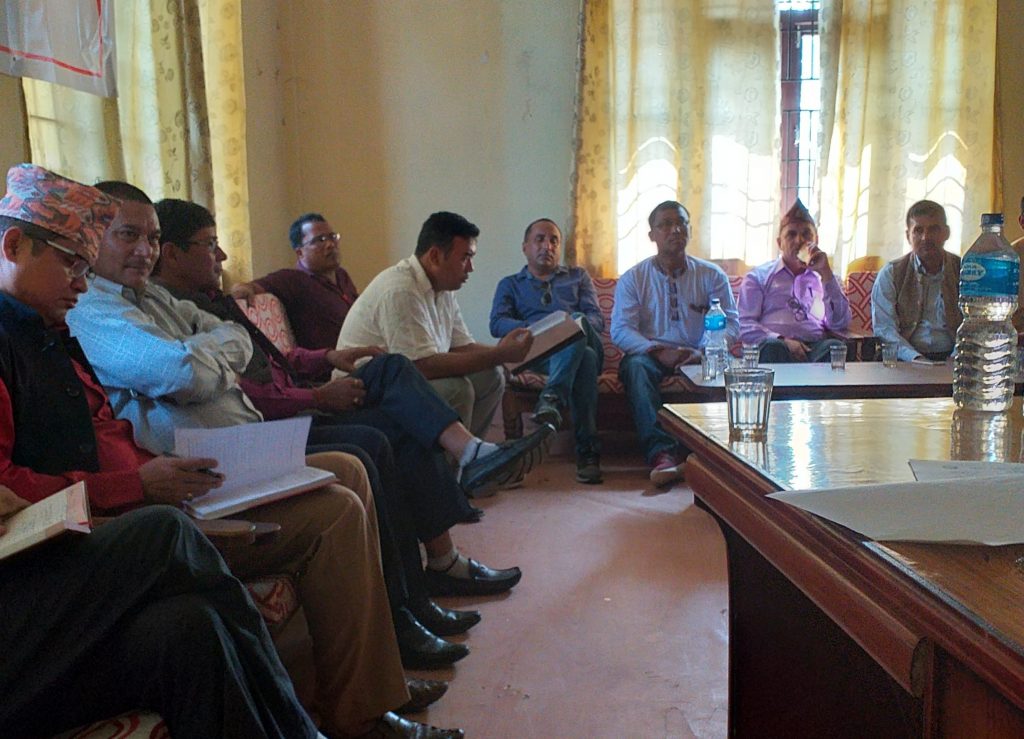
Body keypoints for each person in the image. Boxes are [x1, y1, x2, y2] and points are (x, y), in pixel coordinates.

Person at [0, 164, 440, 738]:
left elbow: (223, 354)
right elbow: (177, 376)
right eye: (71, 262)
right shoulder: (60, 326)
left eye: (86, 267)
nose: (81, 284)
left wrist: (150, 483)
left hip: (142, 499)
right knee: (170, 532)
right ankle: (312, 721)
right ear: (14, 245)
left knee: (192, 620)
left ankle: (365, 692)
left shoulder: (52, 331)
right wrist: (141, 489)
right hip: (81, 541)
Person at [149, 197, 530, 625]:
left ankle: (438, 564)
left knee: (393, 375)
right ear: (172, 253)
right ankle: (413, 599)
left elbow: (276, 360)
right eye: (210, 244)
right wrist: (315, 397)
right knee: (384, 429)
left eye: (333, 236)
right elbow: (241, 391)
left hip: (300, 398)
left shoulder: (212, 301)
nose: (221, 255)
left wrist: (329, 356)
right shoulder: (178, 314)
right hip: (271, 424)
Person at [336, 212, 536, 441]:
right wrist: (500, 354)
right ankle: (457, 459)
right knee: (457, 389)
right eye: (465, 258)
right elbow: (421, 366)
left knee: (490, 377)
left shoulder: (443, 288)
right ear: (434, 256)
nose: (470, 268)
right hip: (362, 394)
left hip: (404, 382)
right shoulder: (401, 289)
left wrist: (508, 357)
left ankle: (473, 458)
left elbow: (462, 346)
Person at [610, 200, 738, 486]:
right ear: (652, 235)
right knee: (635, 368)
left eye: (681, 223)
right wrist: (658, 351)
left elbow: (731, 323)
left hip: (702, 353)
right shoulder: (634, 278)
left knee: (733, 370)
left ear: (690, 230)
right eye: (666, 224)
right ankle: (663, 455)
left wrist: (704, 350)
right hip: (651, 355)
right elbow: (620, 330)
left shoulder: (711, 275)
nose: (675, 230)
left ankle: (720, 455)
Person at [490, 218, 604, 483]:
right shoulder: (510, 284)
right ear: (525, 247)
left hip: (584, 339)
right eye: (539, 239)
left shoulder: (578, 277)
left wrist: (566, 325)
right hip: (539, 355)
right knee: (584, 358)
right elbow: (497, 323)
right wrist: (539, 329)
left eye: (554, 241)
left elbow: (596, 320)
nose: (547, 246)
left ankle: (552, 397)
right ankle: (588, 453)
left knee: (575, 323)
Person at [737, 199, 851, 362]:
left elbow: (839, 323)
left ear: (816, 240)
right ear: (780, 243)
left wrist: (826, 273)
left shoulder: (825, 278)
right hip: (774, 345)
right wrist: (782, 339)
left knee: (835, 348)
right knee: (773, 348)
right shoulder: (758, 277)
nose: (799, 240)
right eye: (791, 234)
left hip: (813, 348)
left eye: (806, 234)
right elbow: (744, 323)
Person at [231, 212, 360, 351]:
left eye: (332, 237)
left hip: (360, 350)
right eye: (320, 240)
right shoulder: (293, 280)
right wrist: (242, 290)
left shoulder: (342, 276)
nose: (330, 244)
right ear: (300, 252)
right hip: (332, 360)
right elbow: (247, 287)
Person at [871, 200, 961, 362]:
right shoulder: (891, 273)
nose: (926, 237)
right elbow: (885, 329)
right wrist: (915, 358)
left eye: (933, 230)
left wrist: (955, 358)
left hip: (956, 359)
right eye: (918, 230)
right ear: (908, 236)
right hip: (904, 359)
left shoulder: (964, 271)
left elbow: (975, 324)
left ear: (946, 233)